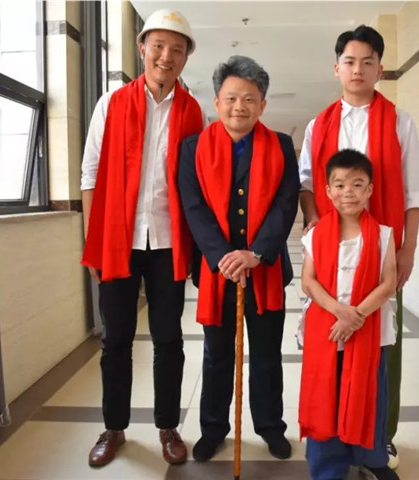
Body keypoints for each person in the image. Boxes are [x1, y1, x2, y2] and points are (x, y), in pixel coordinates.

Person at [297, 25, 419, 470]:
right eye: (349, 62)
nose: (358, 69)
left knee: (380, 349)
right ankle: (330, 440)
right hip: (329, 252)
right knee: (329, 350)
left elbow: (414, 192)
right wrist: (315, 225)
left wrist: (408, 249)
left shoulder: (400, 122)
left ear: (380, 69)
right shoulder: (318, 125)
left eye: (367, 62)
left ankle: (377, 440)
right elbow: (307, 184)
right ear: (336, 68)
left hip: (381, 250)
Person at [80, 9, 204, 467]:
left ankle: (168, 426)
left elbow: (198, 181)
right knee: (116, 340)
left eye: (177, 49)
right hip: (118, 240)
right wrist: (93, 242)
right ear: (142, 48)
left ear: (186, 57)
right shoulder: (110, 103)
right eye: (158, 46)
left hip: (169, 243)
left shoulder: (193, 112)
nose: (166, 56)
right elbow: (89, 174)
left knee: (169, 339)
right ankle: (113, 428)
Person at [178, 55, 300, 462]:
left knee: (266, 356)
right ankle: (213, 428)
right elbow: (194, 208)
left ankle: (270, 427)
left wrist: (256, 253)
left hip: (265, 271)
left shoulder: (281, 146)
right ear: (216, 102)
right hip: (218, 274)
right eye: (231, 98)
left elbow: (286, 204)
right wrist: (224, 257)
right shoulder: (192, 148)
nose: (239, 107)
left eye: (249, 99)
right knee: (217, 356)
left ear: (262, 104)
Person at [299, 149, 398, 480]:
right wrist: (339, 312)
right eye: (339, 185)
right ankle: (328, 466)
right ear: (328, 191)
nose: (348, 192)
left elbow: (388, 283)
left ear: (369, 190)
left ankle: (371, 458)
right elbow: (308, 281)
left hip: (369, 330)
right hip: (326, 329)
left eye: (357, 184)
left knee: (368, 396)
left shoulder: (383, 234)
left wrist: (357, 316)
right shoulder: (315, 235)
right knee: (325, 396)